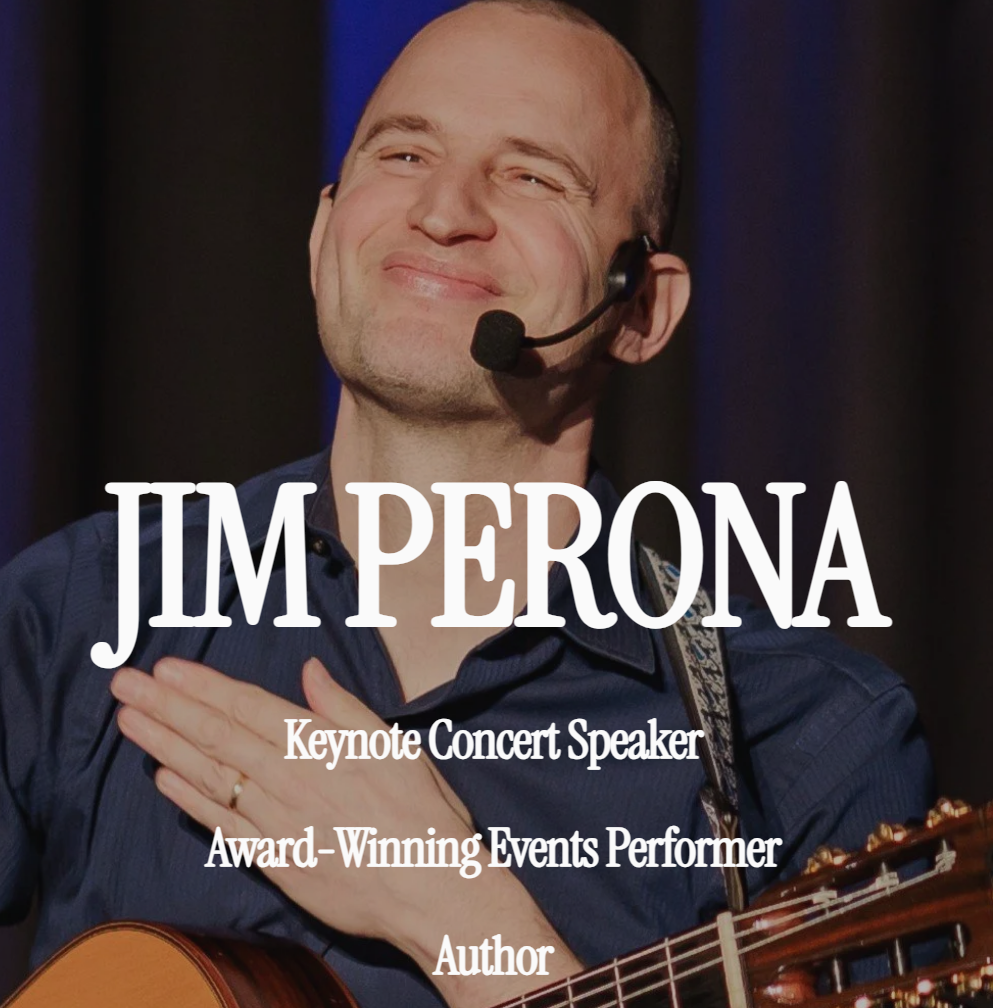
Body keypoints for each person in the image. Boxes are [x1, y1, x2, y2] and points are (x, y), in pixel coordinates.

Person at [0, 2, 932, 1007]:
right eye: (402, 155)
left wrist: (462, 916)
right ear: (323, 235)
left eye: (531, 176)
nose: (445, 211)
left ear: (642, 308)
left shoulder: (804, 736)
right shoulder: (81, 614)